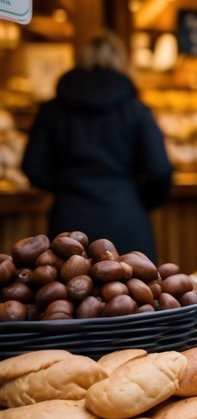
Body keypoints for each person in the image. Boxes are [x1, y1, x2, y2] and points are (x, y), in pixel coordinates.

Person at [22, 32, 172, 260]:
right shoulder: (135, 110)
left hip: (70, 219)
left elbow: (32, 166)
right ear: (121, 61)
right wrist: (137, 199)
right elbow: (159, 170)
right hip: (125, 216)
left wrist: (66, 186)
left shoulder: (53, 110)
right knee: (134, 291)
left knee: (70, 290)